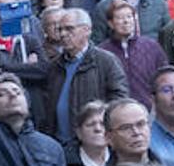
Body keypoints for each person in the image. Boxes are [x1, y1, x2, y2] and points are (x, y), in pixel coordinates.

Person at [39, 10, 128, 145]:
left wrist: (100, 129)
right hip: (58, 142)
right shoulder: (55, 65)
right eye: (60, 29)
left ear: (86, 30)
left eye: (69, 29)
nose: (63, 34)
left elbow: (119, 100)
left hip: (93, 143)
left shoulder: (105, 61)